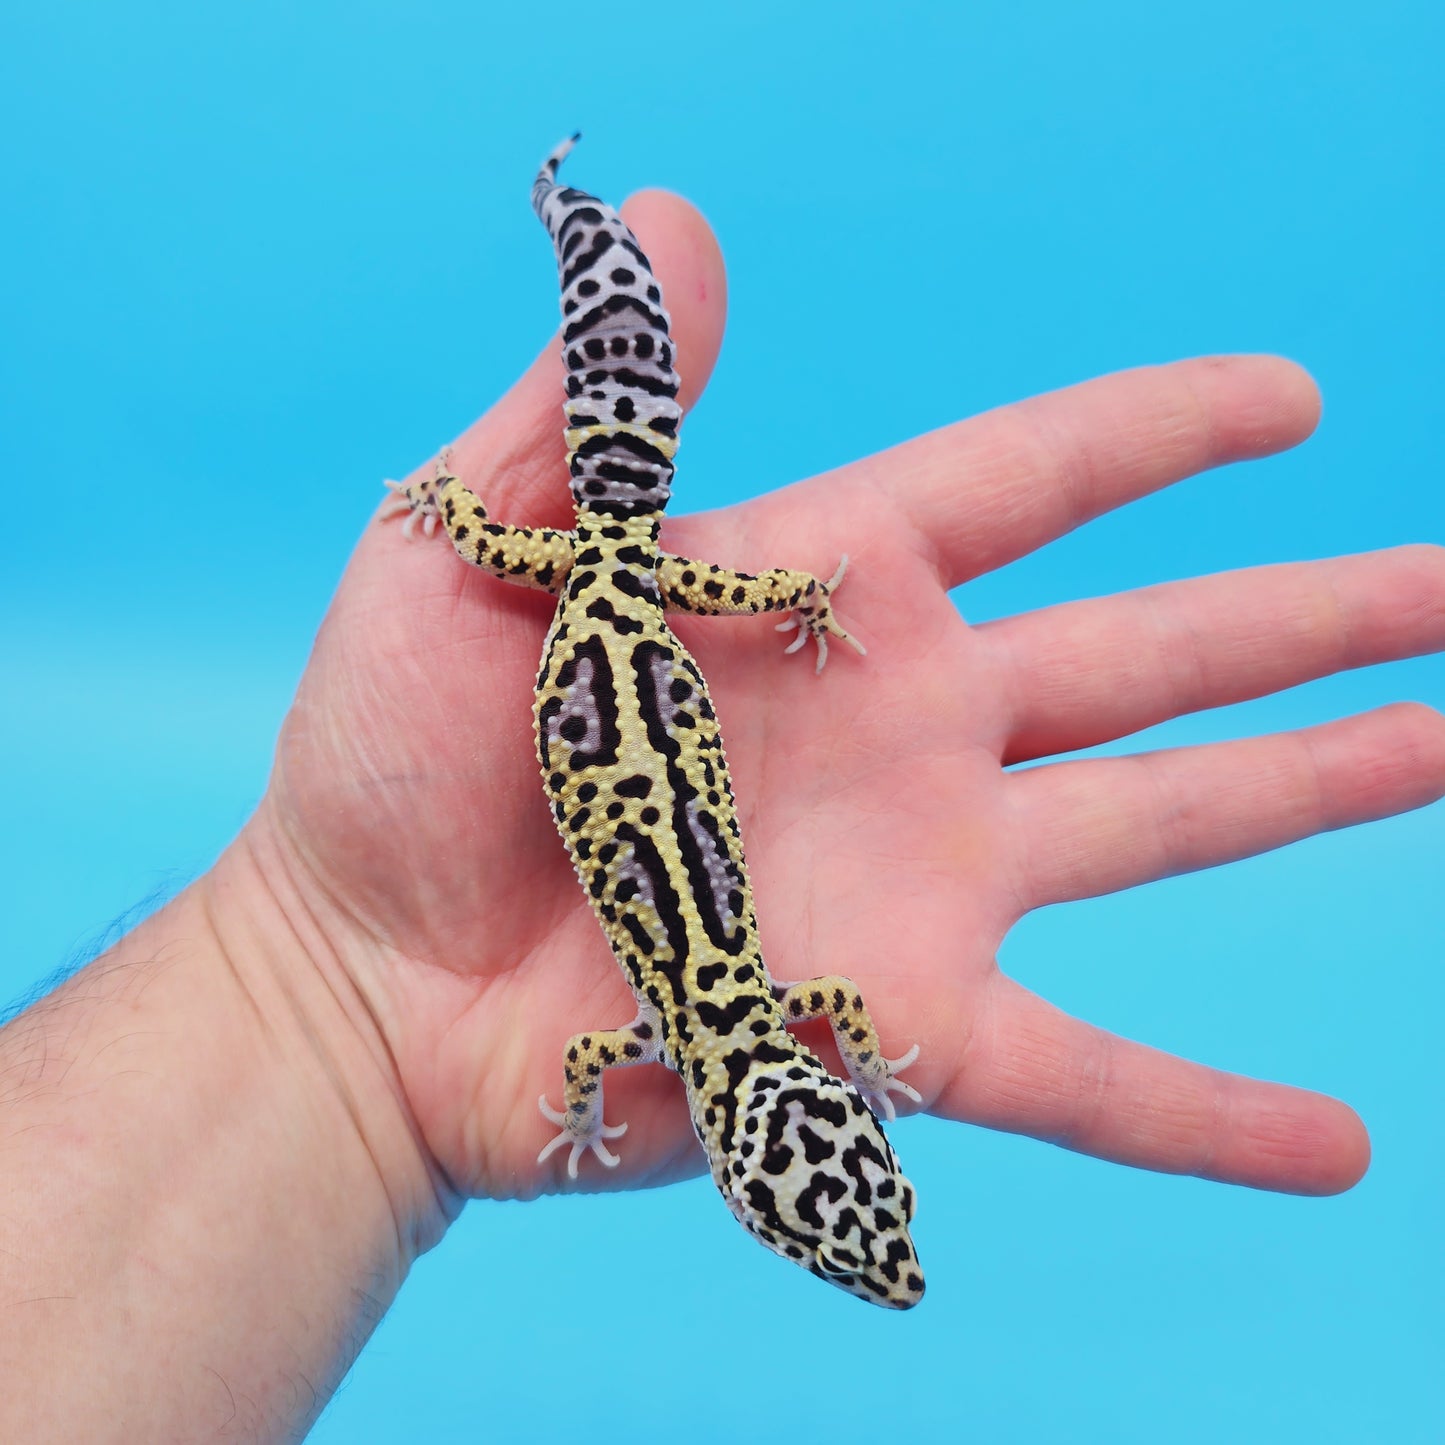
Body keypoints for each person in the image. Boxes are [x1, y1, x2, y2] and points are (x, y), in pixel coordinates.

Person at [2, 189, 1441, 1440]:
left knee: (606, 536)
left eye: (847, 1230)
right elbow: (595, 1060)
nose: (872, 1248)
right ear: (755, 1177)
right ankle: (565, 223)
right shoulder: (658, 1041)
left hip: (612, 607)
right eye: (865, 1216)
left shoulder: (776, 1014)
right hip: (612, 606)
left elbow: (795, 1019)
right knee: (594, 529)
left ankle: (572, 237)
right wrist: (430, 1041)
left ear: (785, 1156)